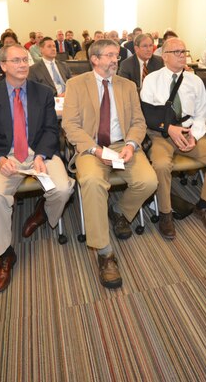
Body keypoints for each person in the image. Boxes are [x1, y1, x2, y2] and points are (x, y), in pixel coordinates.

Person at [0, 44, 74, 293]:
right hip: (5, 156)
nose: (22, 65)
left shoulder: (42, 93)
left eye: (25, 60)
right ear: (3, 65)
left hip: (38, 152)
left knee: (62, 189)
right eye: (16, 60)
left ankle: (42, 211)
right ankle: (5, 254)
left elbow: (52, 130)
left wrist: (41, 155)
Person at [62, 39, 157, 289]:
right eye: (110, 55)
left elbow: (138, 122)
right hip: (91, 147)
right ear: (95, 59)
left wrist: (131, 145)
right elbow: (70, 125)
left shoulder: (127, 85)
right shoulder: (76, 84)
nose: (116, 59)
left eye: (117, 55)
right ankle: (104, 252)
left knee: (148, 181)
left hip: (121, 146)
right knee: (92, 182)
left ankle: (120, 214)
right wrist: (94, 150)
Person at [140, 38, 206, 238]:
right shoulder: (151, 79)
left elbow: (202, 112)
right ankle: (165, 213)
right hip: (162, 135)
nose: (182, 55)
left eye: (184, 51)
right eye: (177, 51)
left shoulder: (194, 80)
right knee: (162, 165)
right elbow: (147, 114)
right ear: (164, 56)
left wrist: (195, 136)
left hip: (190, 133)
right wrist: (170, 129)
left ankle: (204, 206)